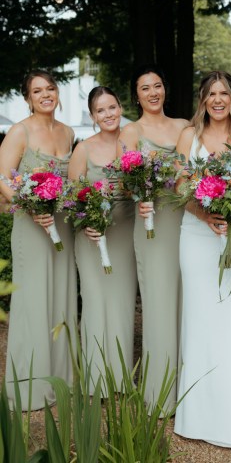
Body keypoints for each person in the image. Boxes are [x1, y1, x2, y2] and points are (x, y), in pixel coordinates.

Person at [174, 70, 231, 448]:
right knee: (199, 317)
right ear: (202, 99)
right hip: (195, 237)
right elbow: (180, 184)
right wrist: (204, 213)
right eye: (211, 93)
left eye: (223, 93)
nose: (217, 99)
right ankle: (195, 417)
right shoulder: (187, 137)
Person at [0, 70, 77, 410]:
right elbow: (3, 177)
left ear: (57, 93)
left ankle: (59, 381)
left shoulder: (68, 131)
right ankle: (29, 388)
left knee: (60, 297)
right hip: (31, 225)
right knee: (32, 302)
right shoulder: (20, 131)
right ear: (28, 98)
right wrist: (27, 207)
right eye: (37, 91)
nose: (46, 94)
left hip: (63, 226)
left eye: (50, 88)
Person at [117, 66, 188, 411]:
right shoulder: (131, 131)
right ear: (137, 95)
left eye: (157, 85)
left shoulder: (184, 127)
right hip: (152, 223)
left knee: (188, 301)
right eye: (145, 88)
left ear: (165, 89)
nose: (153, 92)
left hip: (188, 222)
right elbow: (124, 176)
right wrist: (138, 197)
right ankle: (161, 393)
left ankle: (190, 387)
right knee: (159, 303)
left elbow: (196, 169)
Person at [68, 86, 137, 394]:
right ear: (93, 116)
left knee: (121, 302)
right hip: (91, 235)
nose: (108, 114)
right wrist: (86, 224)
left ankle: (121, 379)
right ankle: (96, 380)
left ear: (120, 107)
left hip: (124, 229)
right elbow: (72, 197)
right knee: (96, 301)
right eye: (100, 110)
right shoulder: (83, 148)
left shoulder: (133, 141)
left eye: (112, 107)